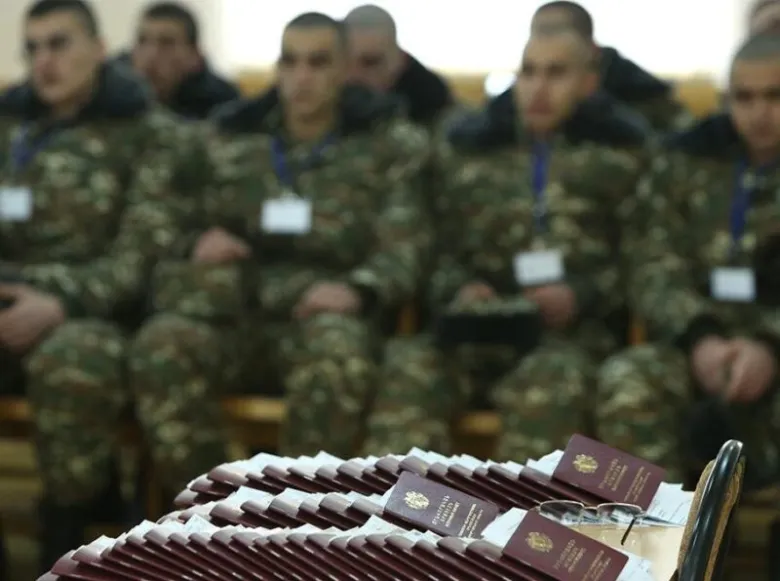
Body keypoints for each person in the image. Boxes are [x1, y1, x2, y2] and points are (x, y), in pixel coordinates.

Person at [127, 12, 430, 475]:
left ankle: (298, 508)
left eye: (318, 63)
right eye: (290, 62)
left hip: (325, 314)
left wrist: (358, 288)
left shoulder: (389, 144)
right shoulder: (232, 137)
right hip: (236, 312)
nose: (301, 77)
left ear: (345, 69)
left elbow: (406, 245)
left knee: (337, 354)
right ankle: (212, 505)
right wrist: (194, 241)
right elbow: (158, 214)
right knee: (162, 344)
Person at [362, 27, 644, 458]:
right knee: (409, 368)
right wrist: (460, 288)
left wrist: (581, 294)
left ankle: (520, 505)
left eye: (556, 73)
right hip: (473, 328)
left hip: (565, 337)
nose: (538, 88)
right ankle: (405, 503)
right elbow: (434, 247)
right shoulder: (469, 151)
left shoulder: (621, 157)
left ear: (588, 83)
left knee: (551, 385)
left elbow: (641, 259)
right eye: (528, 72)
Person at [0, 0, 197, 570]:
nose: (44, 62)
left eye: (59, 44)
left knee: (72, 363)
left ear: (99, 49)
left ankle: (66, 536)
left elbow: (139, 261)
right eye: (32, 49)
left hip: (98, 317)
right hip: (10, 302)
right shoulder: (10, 127)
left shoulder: (150, 134)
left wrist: (57, 300)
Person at [598, 33, 780, 487]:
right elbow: (651, 261)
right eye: (745, 98)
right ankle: (659, 528)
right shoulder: (685, 160)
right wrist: (700, 338)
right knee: (629, 382)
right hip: (696, 343)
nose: (759, 113)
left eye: (775, 96)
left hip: (772, 345)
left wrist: (768, 345)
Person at [531, 1, 689, 132]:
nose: (545, 43)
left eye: (555, 33)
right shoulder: (527, 92)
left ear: (590, 46)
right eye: (540, 33)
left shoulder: (641, 89)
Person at [114, 1, 239, 119]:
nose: (151, 54)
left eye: (167, 43)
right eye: (142, 41)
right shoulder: (112, 87)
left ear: (194, 55)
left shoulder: (223, 105)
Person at [343, 4, 453, 126]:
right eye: (344, 62)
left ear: (401, 61)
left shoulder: (436, 110)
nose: (353, 75)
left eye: (370, 62)